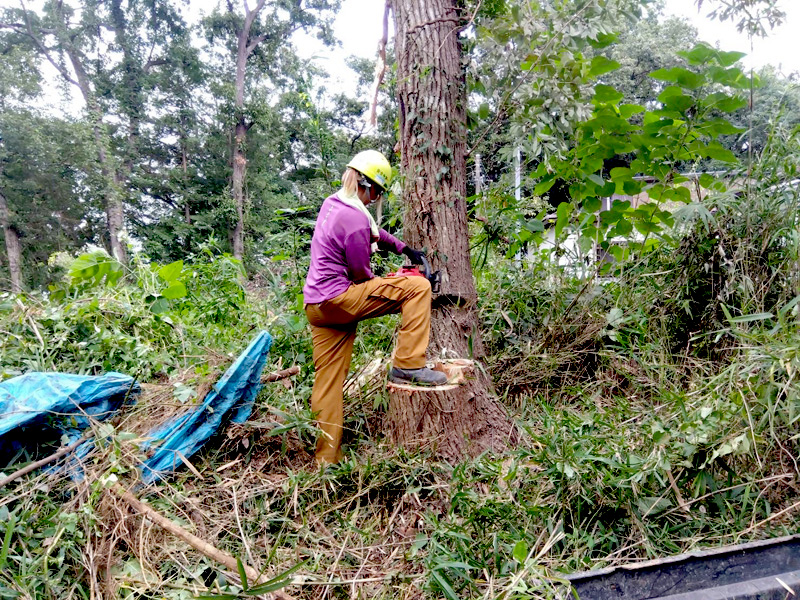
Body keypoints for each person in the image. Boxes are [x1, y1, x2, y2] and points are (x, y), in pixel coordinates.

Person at [303, 149, 447, 464]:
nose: (376, 198)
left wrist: (404, 248)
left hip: (316, 306)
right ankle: (409, 364)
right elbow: (360, 274)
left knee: (328, 383)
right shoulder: (355, 217)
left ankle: (326, 460)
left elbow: (373, 232)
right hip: (338, 298)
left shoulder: (335, 203)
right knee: (418, 286)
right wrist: (394, 279)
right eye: (377, 192)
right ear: (366, 184)